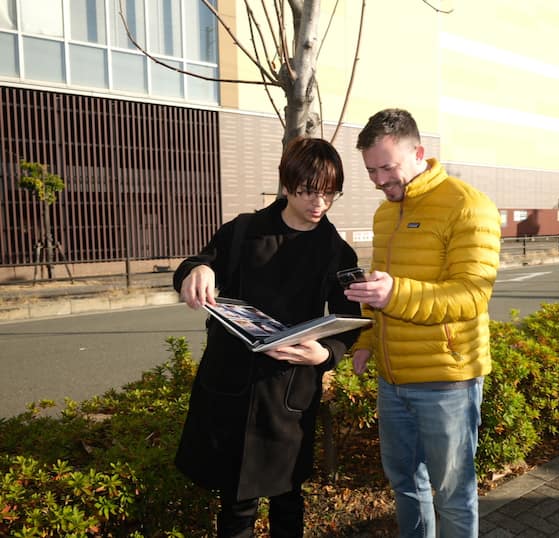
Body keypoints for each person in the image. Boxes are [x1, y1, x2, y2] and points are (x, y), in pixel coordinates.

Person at [173, 137, 361, 537]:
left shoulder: (336, 252)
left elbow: (350, 322)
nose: (319, 204)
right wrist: (197, 270)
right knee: (235, 504)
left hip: (289, 392)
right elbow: (199, 263)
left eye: (330, 194)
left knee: (288, 498)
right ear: (286, 184)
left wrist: (324, 355)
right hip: (231, 386)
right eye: (308, 191)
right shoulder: (243, 231)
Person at [345, 108, 501, 537]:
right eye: (371, 170)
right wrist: (366, 341)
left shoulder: (468, 206)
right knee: (404, 484)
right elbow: (377, 288)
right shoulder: (384, 213)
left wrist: (395, 293)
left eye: (387, 167)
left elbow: (471, 295)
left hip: (447, 380)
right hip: (392, 379)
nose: (379, 180)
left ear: (419, 153)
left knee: (452, 493)